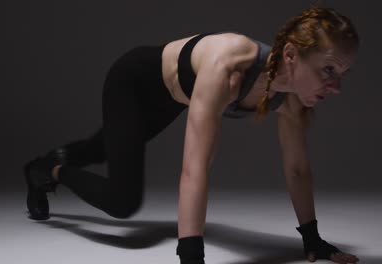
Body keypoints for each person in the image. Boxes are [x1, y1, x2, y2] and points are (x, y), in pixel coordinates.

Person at [24, 5, 360, 264]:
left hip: (173, 98)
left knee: (101, 149)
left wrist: (312, 239)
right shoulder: (229, 67)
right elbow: (194, 168)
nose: (336, 87)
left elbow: (298, 170)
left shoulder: (292, 102)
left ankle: (51, 162)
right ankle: (47, 171)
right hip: (133, 81)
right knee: (122, 201)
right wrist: (191, 257)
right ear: (290, 55)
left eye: (343, 73)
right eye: (328, 69)